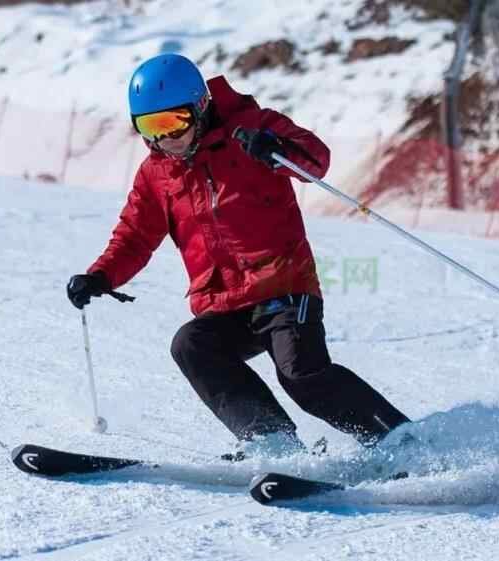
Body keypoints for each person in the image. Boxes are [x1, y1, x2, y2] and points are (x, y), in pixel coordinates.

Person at [66, 53, 410, 459]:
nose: (163, 139)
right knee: (191, 345)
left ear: (200, 106)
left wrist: (274, 147)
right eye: (149, 127)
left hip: (284, 287)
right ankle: (272, 439)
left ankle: (397, 440)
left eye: (173, 122)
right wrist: (101, 275)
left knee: (301, 375)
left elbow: (316, 160)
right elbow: (135, 235)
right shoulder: (156, 174)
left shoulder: (251, 128)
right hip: (224, 303)